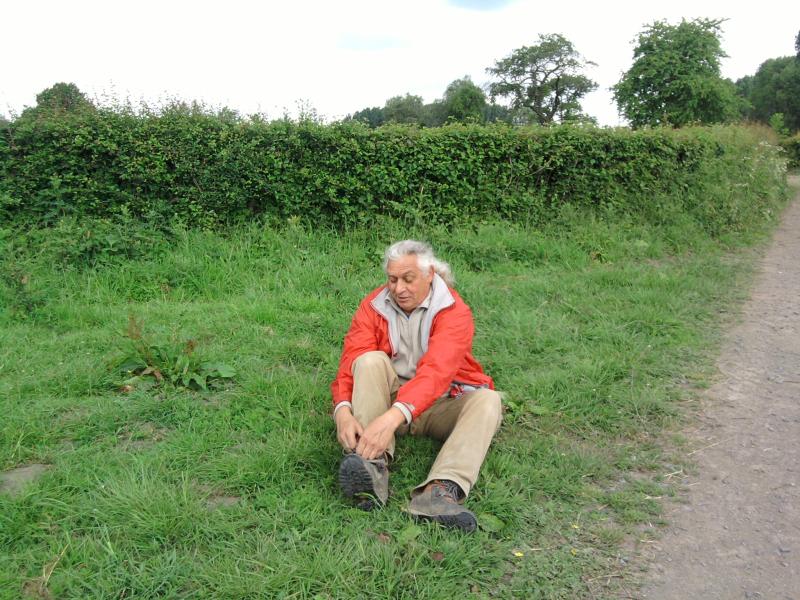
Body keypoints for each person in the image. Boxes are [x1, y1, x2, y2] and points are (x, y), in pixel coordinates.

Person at [330, 240, 503, 532]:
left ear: (430, 275)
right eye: (393, 279)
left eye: (408, 279)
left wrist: (393, 416)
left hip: (440, 402)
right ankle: (371, 468)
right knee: (369, 361)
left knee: (489, 401)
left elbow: (437, 371)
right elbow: (351, 361)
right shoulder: (373, 306)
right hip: (391, 399)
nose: (399, 289)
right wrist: (343, 412)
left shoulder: (454, 311)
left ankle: (439, 492)